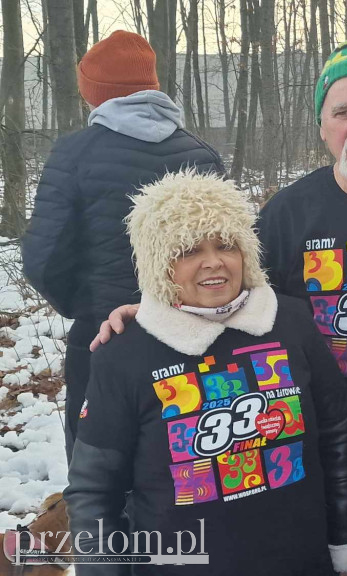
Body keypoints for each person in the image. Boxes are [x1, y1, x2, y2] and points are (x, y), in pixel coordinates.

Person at [92, 19, 347, 399]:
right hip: (322, 415)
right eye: (342, 113)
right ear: (322, 127)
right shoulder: (286, 214)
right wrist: (152, 314)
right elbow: (227, 296)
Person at [64, 171, 347, 575]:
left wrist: (345, 540)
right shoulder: (124, 353)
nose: (213, 262)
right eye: (188, 250)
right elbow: (94, 493)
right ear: (159, 264)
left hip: (300, 561)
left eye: (226, 245)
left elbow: (338, 434)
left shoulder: (291, 322)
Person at [22, 30, 224, 461]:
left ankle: (105, 532)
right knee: (183, 458)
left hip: (102, 337)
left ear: (93, 94)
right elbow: (228, 253)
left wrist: (90, 303)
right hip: (189, 333)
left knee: (98, 466)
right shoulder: (202, 155)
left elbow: (43, 258)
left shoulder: (74, 154)